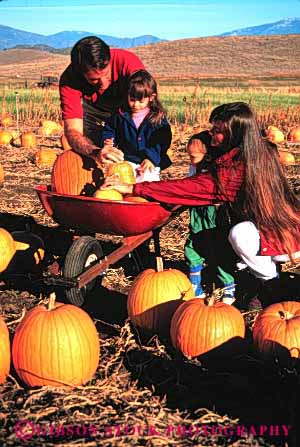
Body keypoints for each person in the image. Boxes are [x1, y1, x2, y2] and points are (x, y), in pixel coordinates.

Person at [101, 102, 300, 306]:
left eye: (218, 130)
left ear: (235, 134)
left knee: (238, 235)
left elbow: (190, 188)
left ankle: (273, 286)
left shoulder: (237, 170)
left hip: (282, 238)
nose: (211, 133)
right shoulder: (258, 152)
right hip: (283, 228)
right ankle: (262, 278)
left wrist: (134, 188)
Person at [59, 36, 145, 165]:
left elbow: (145, 103)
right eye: (94, 79)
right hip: (94, 112)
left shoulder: (128, 62)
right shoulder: (70, 80)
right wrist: (94, 152)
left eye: (107, 75)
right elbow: (73, 130)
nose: (104, 84)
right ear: (80, 73)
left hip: (127, 108)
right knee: (90, 157)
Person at [185, 130, 235, 303]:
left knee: (218, 253)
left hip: (213, 218)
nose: (190, 160)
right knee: (191, 248)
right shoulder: (193, 169)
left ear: (207, 156)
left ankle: (229, 286)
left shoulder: (215, 170)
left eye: (193, 157)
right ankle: (195, 284)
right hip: (197, 217)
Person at [101, 70, 172, 182]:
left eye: (140, 101)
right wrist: (108, 140)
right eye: (132, 100)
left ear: (151, 97)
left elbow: (162, 142)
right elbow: (110, 128)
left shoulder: (157, 118)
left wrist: (152, 158)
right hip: (127, 159)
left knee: (148, 182)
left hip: (149, 162)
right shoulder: (120, 115)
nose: (136, 105)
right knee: (122, 180)